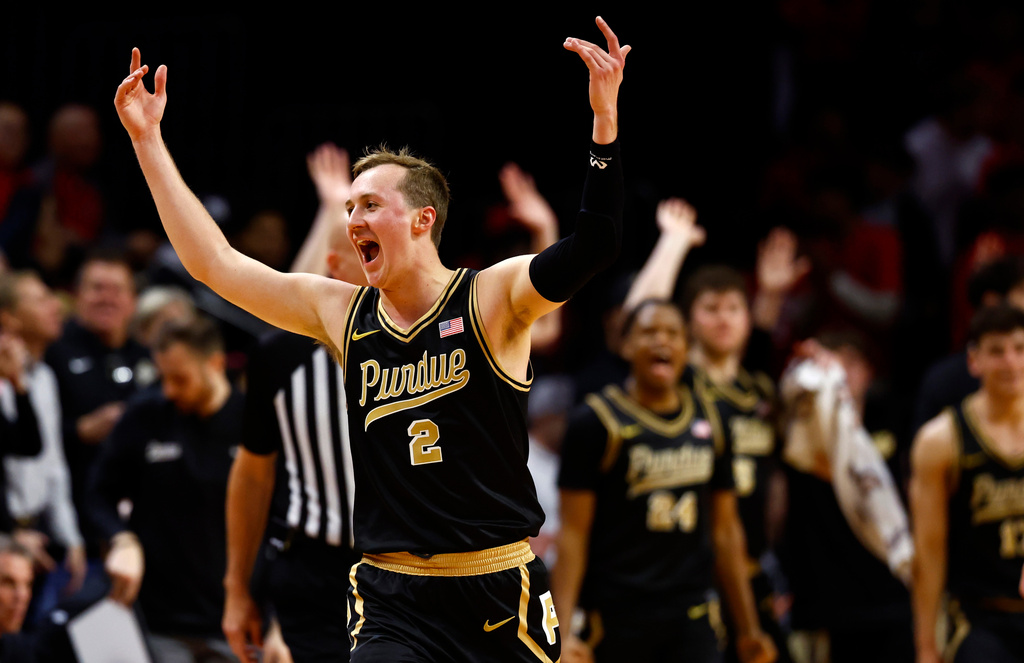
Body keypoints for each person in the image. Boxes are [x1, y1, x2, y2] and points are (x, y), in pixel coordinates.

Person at [115, 16, 627, 662]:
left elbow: (597, 244)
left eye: (369, 205)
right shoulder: (343, 312)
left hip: (497, 585)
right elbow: (215, 264)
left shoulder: (490, 296)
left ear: (422, 219)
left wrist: (603, 124)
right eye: (349, 206)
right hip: (394, 598)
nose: (352, 217)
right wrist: (148, 142)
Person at [552, 299, 776, 663]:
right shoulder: (595, 422)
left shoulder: (712, 419)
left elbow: (726, 530)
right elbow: (573, 534)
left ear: (687, 348)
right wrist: (561, 632)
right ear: (625, 346)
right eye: (649, 332)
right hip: (617, 613)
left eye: (673, 333)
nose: (663, 341)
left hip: (692, 612)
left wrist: (749, 628)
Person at [223, 143, 365, 663]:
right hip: (315, 571)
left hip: (412, 566)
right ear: (330, 267)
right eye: (362, 252)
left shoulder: (433, 341)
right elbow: (253, 475)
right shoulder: (281, 356)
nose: (378, 268)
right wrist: (238, 589)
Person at [88, 316, 241, 662]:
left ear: (215, 364)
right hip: (158, 621)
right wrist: (120, 538)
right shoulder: (145, 414)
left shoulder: (252, 422)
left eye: (180, 379)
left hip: (236, 622)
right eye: (163, 378)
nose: (169, 390)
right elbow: (98, 493)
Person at [911, 304, 1024, 663]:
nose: (1011, 362)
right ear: (973, 361)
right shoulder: (941, 440)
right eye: (997, 351)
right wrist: (926, 646)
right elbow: (928, 551)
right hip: (980, 617)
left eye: (1020, 349)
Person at [0, 271, 86, 619]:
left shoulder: (44, 378)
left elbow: (43, 454)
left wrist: (70, 536)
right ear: (9, 318)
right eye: (39, 299)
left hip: (33, 534)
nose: (56, 306)